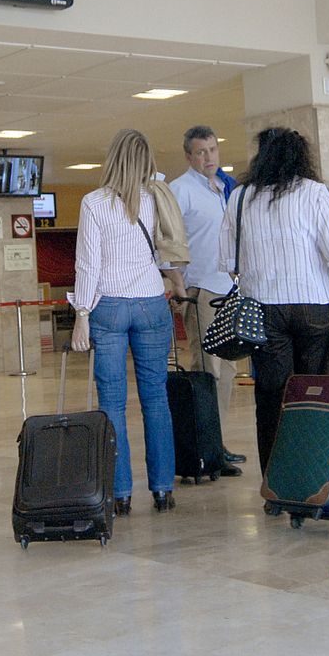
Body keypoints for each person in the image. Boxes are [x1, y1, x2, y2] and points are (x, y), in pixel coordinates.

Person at [218, 127, 329, 474]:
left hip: (264, 309)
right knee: (316, 391)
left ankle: (276, 481)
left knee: (271, 396)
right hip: (315, 306)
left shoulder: (240, 197)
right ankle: (313, 475)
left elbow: (227, 260)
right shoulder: (312, 192)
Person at [71, 129, 186, 514]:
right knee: (156, 400)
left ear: (112, 158)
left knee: (113, 403)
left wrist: (81, 314)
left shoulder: (94, 203)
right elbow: (169, 253)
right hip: (153, 303)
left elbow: (88, 264)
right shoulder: (157, 198)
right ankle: (163, 488)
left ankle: (120, 493)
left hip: (109, 308)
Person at [167, 124, 244, 475]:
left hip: (230, 288)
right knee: (207, 368)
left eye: (212, 150)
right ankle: (205, 445)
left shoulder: (224, 188)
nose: (208, 157)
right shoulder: (179, 190)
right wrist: (179, 287)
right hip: (201, 290)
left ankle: (217, 441)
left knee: (226, 369)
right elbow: (166, 242)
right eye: (200, 152)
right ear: (188, 156)